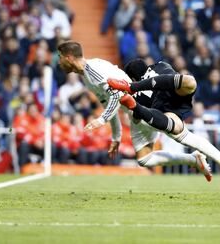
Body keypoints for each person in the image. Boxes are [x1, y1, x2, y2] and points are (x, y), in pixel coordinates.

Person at [57, 41, 211, 178]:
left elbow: (117, 95)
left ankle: (218, 161)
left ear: (69, 57)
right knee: (145, 158)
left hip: (140, 106)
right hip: (136, 109)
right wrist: (116, 137)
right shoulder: (88, 76)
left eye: (60, 57)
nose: (59, 61)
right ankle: (195, 159)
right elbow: (107, 102)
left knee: (176, 135)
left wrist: (102, 119)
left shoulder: (93, 71)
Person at [107, 58, 220, 192]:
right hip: (170, 105)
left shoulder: (146, 82)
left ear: (132, 78)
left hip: (167, 99)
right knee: (188, 88)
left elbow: (136, 120)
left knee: (147, 156)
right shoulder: (160, 65)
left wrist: (133, 95)